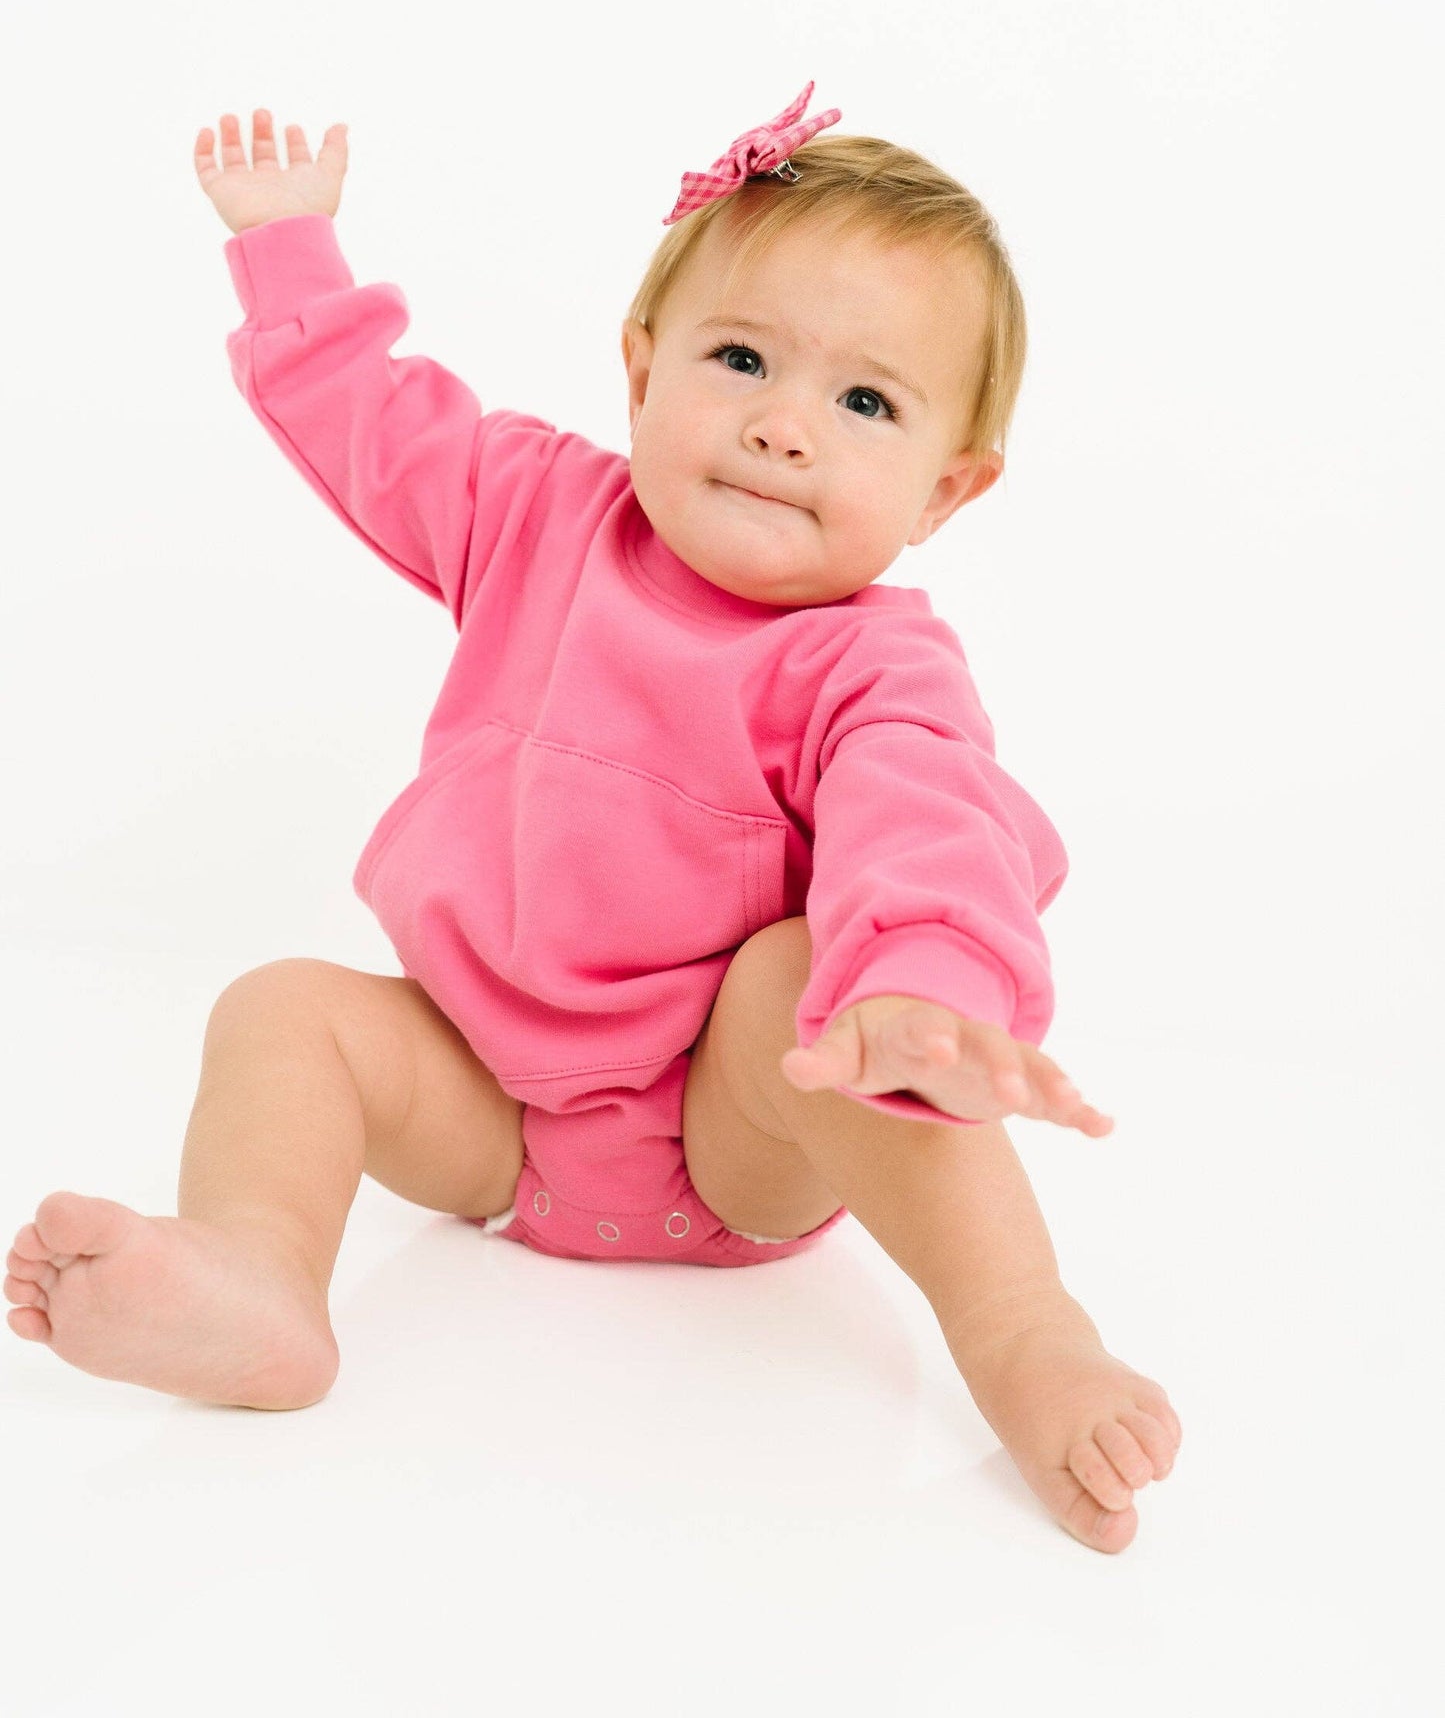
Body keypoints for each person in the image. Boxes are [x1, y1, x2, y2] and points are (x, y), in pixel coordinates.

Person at [5, 86, 1180, 1554]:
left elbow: (930, 830)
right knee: (284, 1008)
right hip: (493, 1116)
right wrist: (289, 249)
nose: (779, 426)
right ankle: (260, 1280)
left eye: (861, 401)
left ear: (948, 488)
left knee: (786, 981)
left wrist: (919, 1000)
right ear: (640, 372)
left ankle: (1024, 1334)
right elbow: (380, 432)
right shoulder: (536, 514)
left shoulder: (871, 665)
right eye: (740, 358)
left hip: (735, 1135)